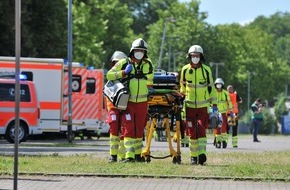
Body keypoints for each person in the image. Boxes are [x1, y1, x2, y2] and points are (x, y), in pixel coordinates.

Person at [106, 38, 154, 162]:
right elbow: (109, 75)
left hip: (143, 103)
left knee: (139, 128)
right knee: (129, 128)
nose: (139, 52)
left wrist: (150, 89)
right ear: (132, 51)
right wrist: (123, 72)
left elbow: (150, 79)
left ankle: (138, 155)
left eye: (142, 51)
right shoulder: (123, 62)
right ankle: (129, 156)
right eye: (137, 50)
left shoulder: (148, 64)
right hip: (129, 102)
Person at [179, 45, 214, 165]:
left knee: (201, 129)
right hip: (189, 106)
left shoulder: (206, 70)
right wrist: (182, 97)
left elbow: (211, 87)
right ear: (189, 57)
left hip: (203, 106)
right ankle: (193, 157)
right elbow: (182, 86)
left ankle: (202, 154)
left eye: (197, 56)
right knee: (192, 131)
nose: (195, 58)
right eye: (193, 56)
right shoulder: (184, 69)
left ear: (201, 57)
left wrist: (213, 103)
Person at [105, 51, 127, 163]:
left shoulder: (127, 79)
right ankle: (113, 156)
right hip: (113, 107)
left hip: (124, 107)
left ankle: (123, 156)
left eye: (118, 63)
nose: (116, 65)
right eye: (115, 63)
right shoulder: (111, 78)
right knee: (114, 129)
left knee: (124, 130)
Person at [212, 78, 233, 149]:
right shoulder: (213, 92)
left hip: (224, 112)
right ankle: (218, 142)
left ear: (222, 85)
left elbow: (229, 101)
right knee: (217, 127)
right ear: (215, 85)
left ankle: (224, 141)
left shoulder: (225, 93)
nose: (218, 86)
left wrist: (231, 109)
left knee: (224, 126)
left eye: (220, 84)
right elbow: (210, 101)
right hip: (216, 113)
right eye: (217, 84)